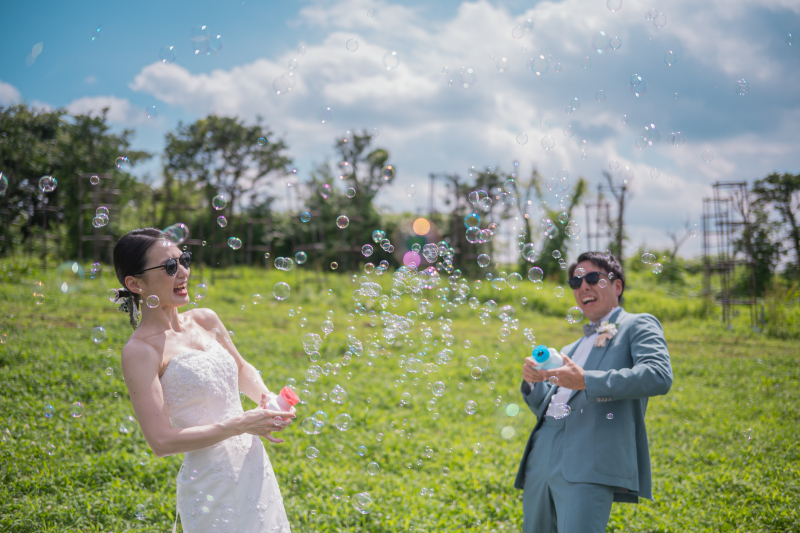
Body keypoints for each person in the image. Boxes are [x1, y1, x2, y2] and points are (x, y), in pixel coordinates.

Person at [114, 228, 295, 533]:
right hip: (210, 483)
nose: (183, 271)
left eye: (183, 260)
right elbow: (161, 441)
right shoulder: (140, 351)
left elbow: (241, 369)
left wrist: (266, 398)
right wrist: (241, 424)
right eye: (170, 267)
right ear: (135, 283)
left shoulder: (205, 319)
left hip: (253, 466)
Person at [516, 251, 673, 533]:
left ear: (617, 286)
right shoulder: (569, 350)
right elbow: (551, 407)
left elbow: (658, 375)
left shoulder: (638, 325)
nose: (583, 286)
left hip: (588, 461)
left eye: (592, 278)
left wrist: (587, 380)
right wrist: (533, 383)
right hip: (540, 460)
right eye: (576, 282)